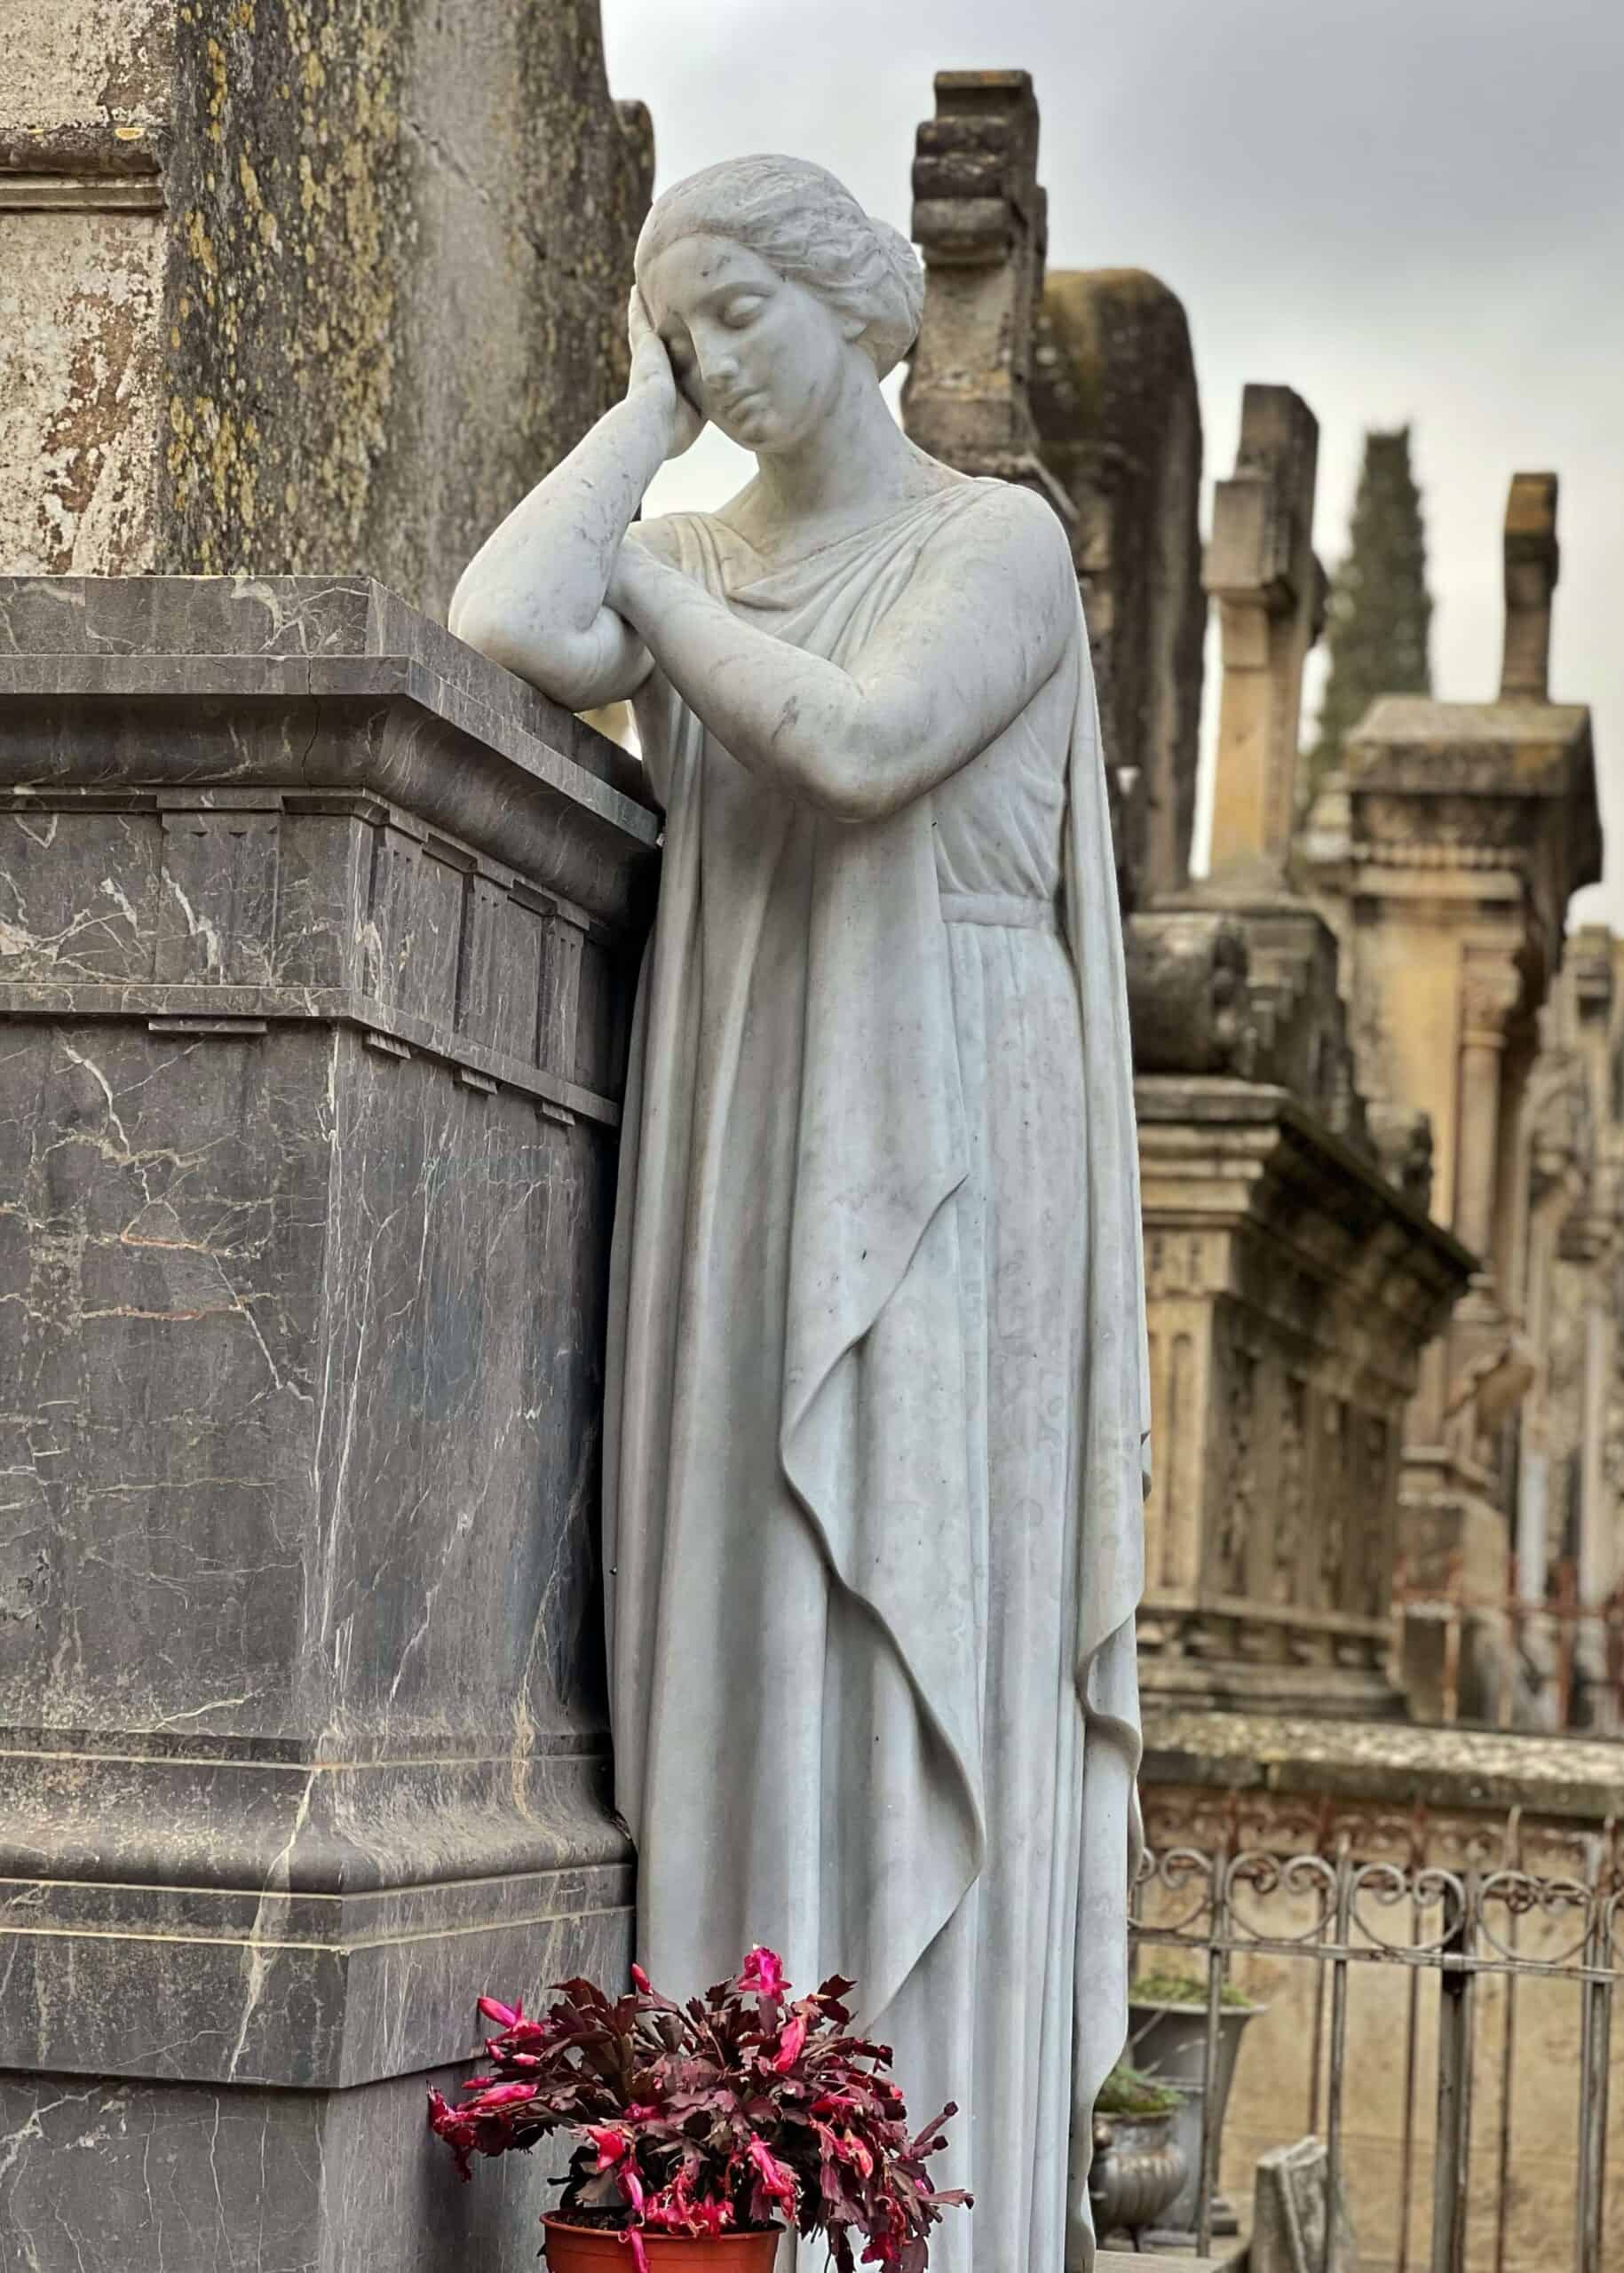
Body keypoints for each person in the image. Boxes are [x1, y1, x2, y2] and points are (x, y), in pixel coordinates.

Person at [449, 154, 1148, 2273]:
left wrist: (666, 590)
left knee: (928, 1603)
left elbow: (859, 745)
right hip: (751, 1117)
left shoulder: (993, 542)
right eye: (683, 332)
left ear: (858, 307)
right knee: (751, 1609)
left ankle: (928, 2183)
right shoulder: (689, 541)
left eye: (738, 315)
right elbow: (504, 620)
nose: (716, 361)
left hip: (952, 1124)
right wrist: (639, 419)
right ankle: (736, 2175)